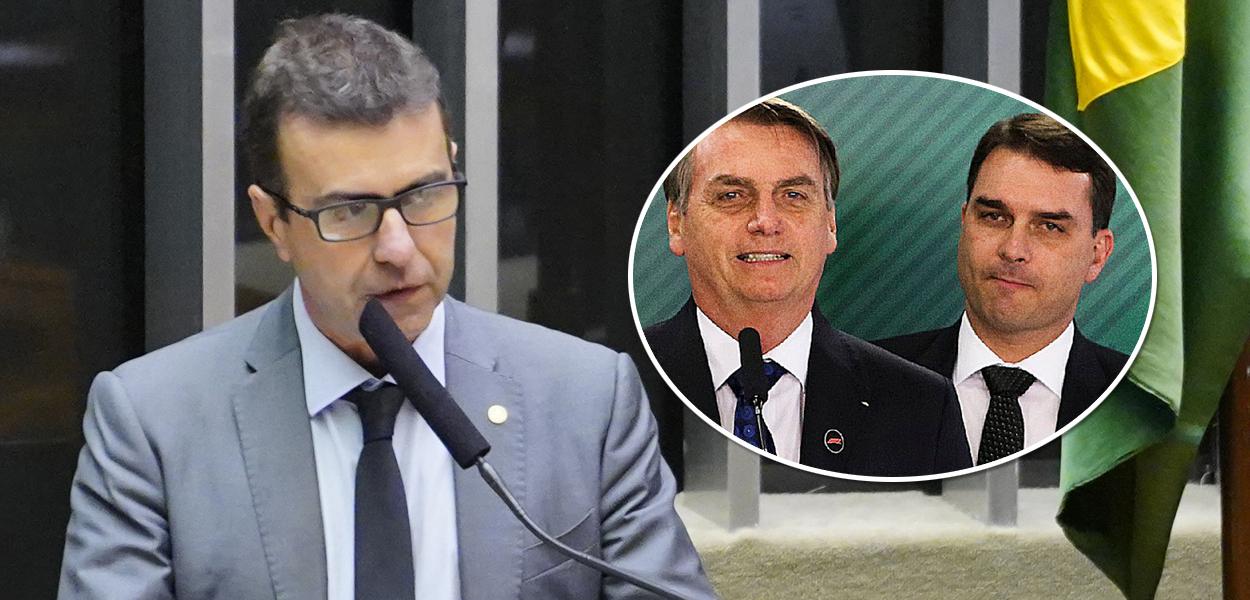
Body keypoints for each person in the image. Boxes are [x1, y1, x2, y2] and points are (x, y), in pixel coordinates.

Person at [58, 14, 714, 600]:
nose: (398, 248)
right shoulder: (153, 422)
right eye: (350, 210)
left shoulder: (587, 400)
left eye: (424, 194)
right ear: (273, 222)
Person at [644, 98, 971, 477]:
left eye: (793, 196)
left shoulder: (922, 406)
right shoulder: (618, 385)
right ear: (676, 223)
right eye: (732, 196)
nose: (765, 221)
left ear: (830, 224)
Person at [875, 113, 1126, 466]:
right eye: (994, 217)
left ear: (1097, 254)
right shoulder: (862, 381)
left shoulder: (1144, 403)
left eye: (1049, 227)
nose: (1013, 249)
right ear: (965, 222)